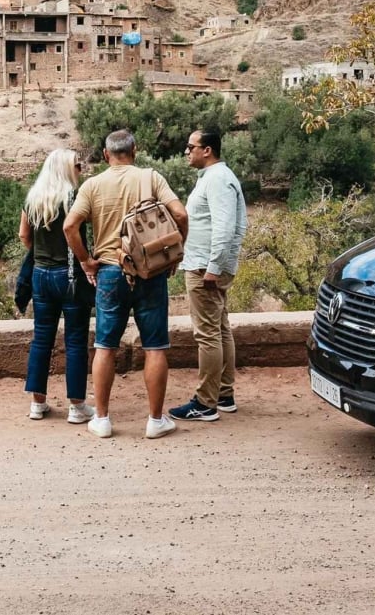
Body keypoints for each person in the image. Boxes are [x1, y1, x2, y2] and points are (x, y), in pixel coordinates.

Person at [63, 129, 188, 439]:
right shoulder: (151, 178)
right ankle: (155, 421)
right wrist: (172, 254)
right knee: (155, 346)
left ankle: (103, 419)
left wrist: (85, 260)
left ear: (106, 155)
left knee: (105, 346)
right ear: (135, 150)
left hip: (109, 271)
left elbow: (70, 226)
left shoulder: (93, 185)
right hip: (150, 271)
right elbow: (181, 214)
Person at [170, 129, 249, 422]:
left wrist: (214, 267)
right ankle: (224, 394)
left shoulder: (217, 180)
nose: (186, 151)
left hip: (205, 266)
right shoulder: (214, 178)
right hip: (207, 264)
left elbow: (226, 227)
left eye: (191, 147)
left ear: (208, 150)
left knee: (207, 334)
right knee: (220, 328)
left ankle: (205, 403)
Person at [18, 148, 94, 424]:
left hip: (40, 274)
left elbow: (24, 236)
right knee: (75, 341)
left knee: (42, 339)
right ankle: (76, 406)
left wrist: (41, 253)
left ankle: (37, 403)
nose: (80, 169)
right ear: (65, 169)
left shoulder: (33, 198)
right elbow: (72, 231)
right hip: (69, 274)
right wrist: (85, 259)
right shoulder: (74, 197)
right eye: (76, 165)